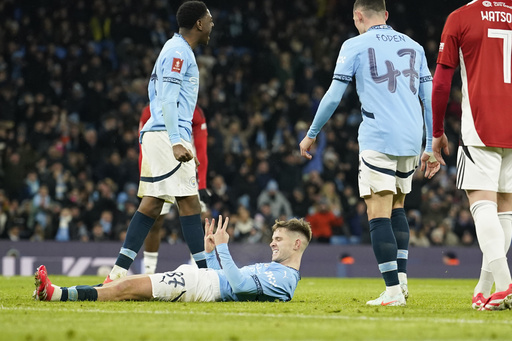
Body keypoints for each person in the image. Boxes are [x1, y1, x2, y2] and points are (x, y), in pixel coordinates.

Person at [299, 0, 440, 306]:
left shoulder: (355, 44)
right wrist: (430, 145)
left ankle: (391, 291)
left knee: (378, 212)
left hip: (379, 136)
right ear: (386, 15)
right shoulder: (415, 46)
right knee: (398, 206)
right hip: (411, 138)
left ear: (358, 16)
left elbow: (334, 94)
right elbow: (430, 98)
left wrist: (311, 134)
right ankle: (401, 281)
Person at [104, 1, 214, 283]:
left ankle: (117, 273)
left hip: (161, 134)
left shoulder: (175, 48)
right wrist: (177, 141)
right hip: (167, 134)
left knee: (152, 204)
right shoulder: (179, 52)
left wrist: (183, 141)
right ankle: (206, 275)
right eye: (209, 19)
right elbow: (167, 97)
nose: (213, 24)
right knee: (190, 203)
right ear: (199, 24)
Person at [432, 0, 512, 311]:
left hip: (482, 124)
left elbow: (441, 83)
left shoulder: (462, 17)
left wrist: (437, 132)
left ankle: (505, 284)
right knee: (504, 207)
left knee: (481, 204)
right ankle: (485, 287)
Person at [33, 216, 312, 303]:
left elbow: (238, 286)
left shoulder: (284, 279)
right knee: (127, 284)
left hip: (199, 286)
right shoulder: (274, 269)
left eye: (279, 239)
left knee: (124, 288)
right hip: (203, 280)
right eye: (273, 238)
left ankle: (54, 294)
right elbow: (229, 280)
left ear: (297, 243)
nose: (272, 242)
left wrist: (224, 250)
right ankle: (55, 292)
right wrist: (210, 252)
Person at [140, 104, 210, 274]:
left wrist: (202, 184)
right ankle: (148, 272)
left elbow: (201, 149)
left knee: (195, 219)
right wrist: (146, 178)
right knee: (154, 220)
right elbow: (143, 146)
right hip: (160, 169)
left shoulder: (194, 111)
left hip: (186, 170)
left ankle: (198, 270)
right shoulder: (149, 111)